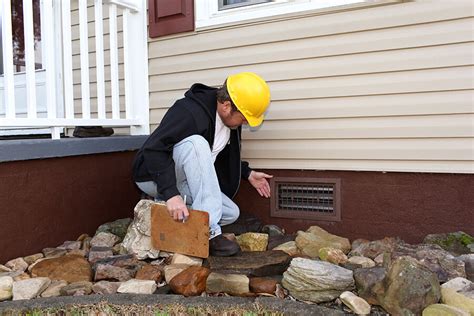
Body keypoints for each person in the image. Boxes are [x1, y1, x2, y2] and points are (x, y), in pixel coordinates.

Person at [132, 72, 273, 257]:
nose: (246, 123)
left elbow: (217, 156)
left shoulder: (228, 122)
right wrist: (172, 195)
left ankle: (165, 212)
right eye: (245, 118)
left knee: (231, 212)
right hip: (153, 177)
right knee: (197, 143)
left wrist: (247, 173)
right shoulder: (188, 111)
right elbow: (154, 149)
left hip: (185, 180)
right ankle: (209, 234)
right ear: (226, 105)